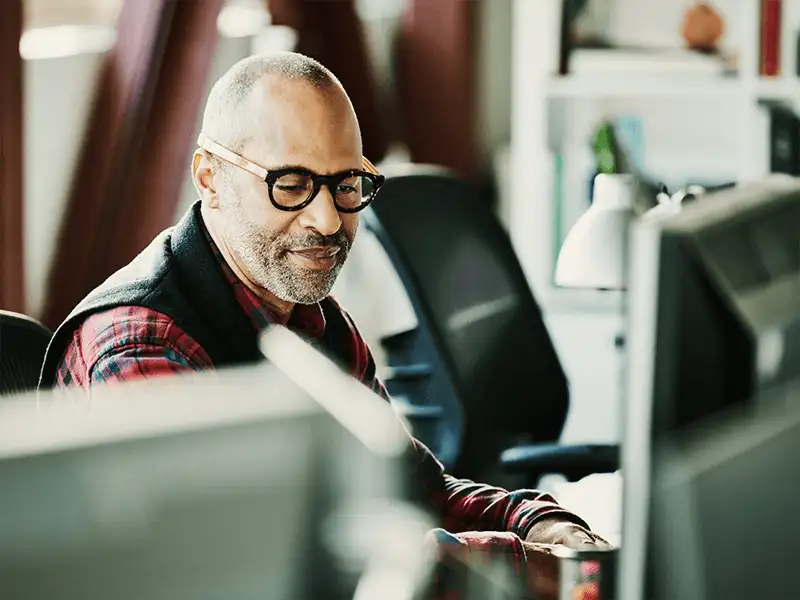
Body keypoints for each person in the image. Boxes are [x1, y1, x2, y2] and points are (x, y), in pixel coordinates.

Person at [40, 52, 610, 598]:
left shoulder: (313, 322)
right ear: (210, 179)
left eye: (344, 185)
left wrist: (539, 524)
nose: (328, 219)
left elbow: (414, 492)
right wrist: (517, 566)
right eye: (290, 185)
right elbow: (253, 567)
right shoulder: (140, 343)